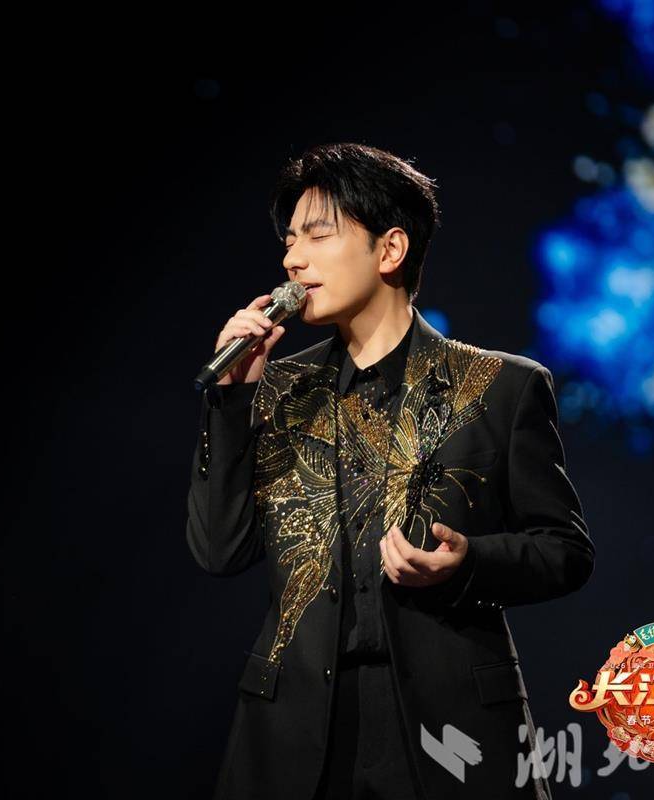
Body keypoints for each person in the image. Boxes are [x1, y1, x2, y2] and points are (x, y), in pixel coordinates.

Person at [186, 142, 594, 800]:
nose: (293, 259)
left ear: (390, 250)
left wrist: (467, 564)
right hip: (294, 735)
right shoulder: (278, 389)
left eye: (317, 234)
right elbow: (219, 549)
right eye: (289, 241)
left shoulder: (500, 387)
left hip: (449, 728)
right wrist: (232, 402)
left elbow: (565, 551)